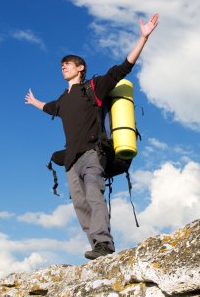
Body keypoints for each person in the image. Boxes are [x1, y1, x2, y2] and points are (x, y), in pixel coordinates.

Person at [25, 14, 159, 260]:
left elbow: (123, 68)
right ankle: (98, 247)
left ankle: (105, 244)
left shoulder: (93, 88)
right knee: (80, 204)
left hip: (91, 154)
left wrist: (143, 38)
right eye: (62, 65)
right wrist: (34, 102)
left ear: (80, 68)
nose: (63, 67)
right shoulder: (63, 100)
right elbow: (50, 108)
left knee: (94, 196)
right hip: (71, 161)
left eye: (68, 64)